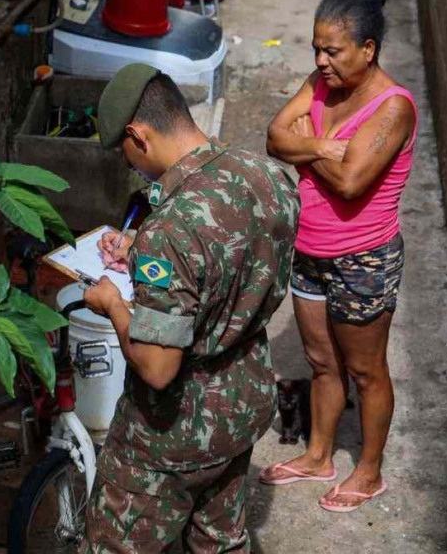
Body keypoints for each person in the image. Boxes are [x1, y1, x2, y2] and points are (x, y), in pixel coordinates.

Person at [81, 63, 300, 552]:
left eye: (125, 155)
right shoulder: (266, 177)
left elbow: (158, 369)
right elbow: (235, 255)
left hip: (174, 433)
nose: (131, 166)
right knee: (219, 541)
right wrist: (138, 247)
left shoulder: (171, 231)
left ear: (139, 136)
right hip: (243, 402)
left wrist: (114, 304)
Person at [259, 0, 417, 513]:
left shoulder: (394, 109)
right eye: (316, 50)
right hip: (310, 251)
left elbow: (352, 184)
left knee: (367, 371)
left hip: (363, 258)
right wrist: (324, 145)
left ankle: (369, 472)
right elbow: (272, 137)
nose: (321, 61)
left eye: (333, 50)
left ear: (367, 50)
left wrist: (303, 148)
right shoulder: (321, 84)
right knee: (322, 362)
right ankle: (319, 456)